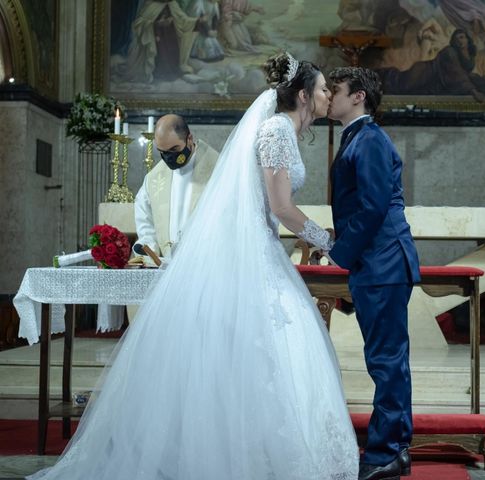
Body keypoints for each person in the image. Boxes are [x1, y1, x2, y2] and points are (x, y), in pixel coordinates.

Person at [27, 53, 358, 480]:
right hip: (257, 256)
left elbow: (268, 205)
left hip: (264, 247)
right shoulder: (277, 129)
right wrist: (328, 240)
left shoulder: (285, 130)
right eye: (322, 88)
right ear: (302, 94)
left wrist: (296, 232)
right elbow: (280, 205)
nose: (327, 94)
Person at [327, 66, 420, 480]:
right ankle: (393, 448)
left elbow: (374, 206)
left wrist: (339, 254)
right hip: (376, 262)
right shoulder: (358, 137)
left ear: (359, 96)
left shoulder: (370, 139)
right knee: (384, 359)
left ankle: (387, 453)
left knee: (387, 360)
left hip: (382, 261)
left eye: (337, 90)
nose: (329, 96)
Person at [133, 114, 218, 259]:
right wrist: (149, 245)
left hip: (205, 261)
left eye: (174, 149)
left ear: (189, 139)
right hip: (168, 266)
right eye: (163, 152)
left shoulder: (218, 169)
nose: (169, 157)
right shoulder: (154, 178)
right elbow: (145, 218)